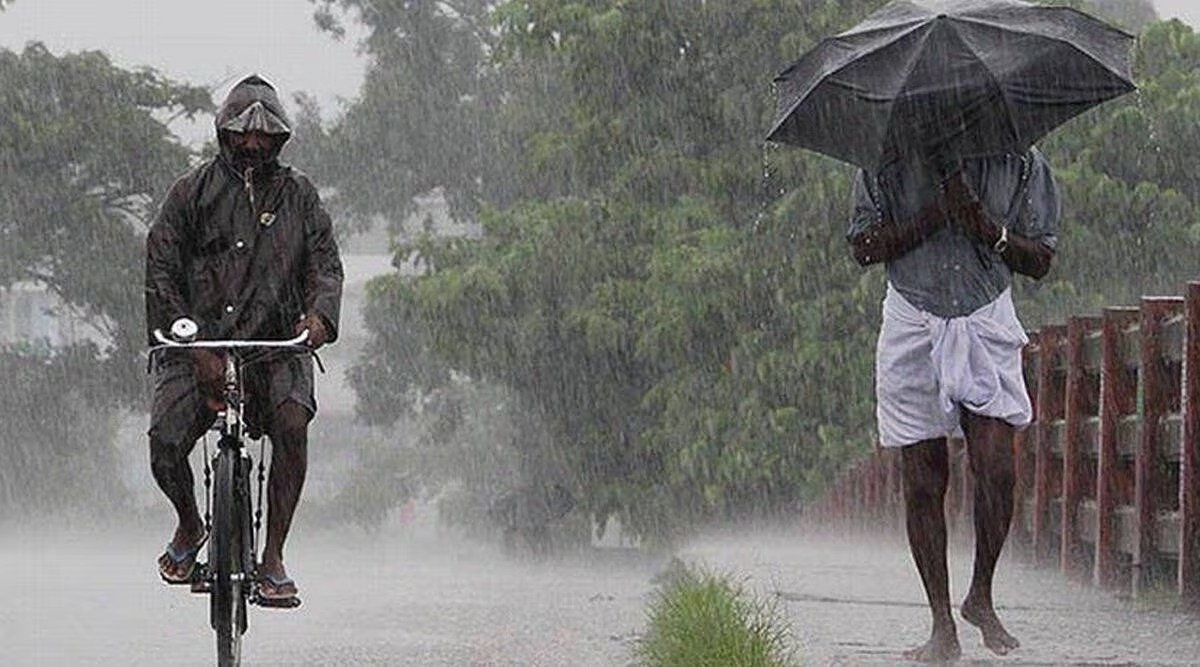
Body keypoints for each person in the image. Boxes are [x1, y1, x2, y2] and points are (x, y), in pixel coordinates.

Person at [848, 147, 1060, 661]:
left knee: (997, 467)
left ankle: (980, 594)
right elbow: (863, 246)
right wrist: (934, 216)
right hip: (910, 314)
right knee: (923, 480)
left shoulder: (1021, 160)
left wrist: (986, 228)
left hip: (986, 312)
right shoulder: (884, 159)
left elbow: (1040, 260)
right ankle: (940, 622)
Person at [145, 74, 343, 605]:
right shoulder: (189, 193)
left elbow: (325, 265)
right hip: (194, 345)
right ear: (223, 133)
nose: (253, 143)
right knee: (165, 440)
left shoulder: (300, 196)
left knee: (292, 425)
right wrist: (192, 342)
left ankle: (272, 556)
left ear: (280, 139)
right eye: (242, 133)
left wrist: (319, 319)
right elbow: (160, 267)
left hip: (274, 346)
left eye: (264, 135)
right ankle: (190, 523)